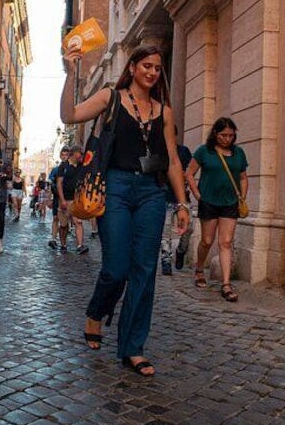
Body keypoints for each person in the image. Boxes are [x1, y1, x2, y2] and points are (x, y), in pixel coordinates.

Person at [61, 44, 190, 377]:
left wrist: (182, 203)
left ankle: (133, 348)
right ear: (132, 67)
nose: (152, 72)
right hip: (115, 187)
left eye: (158, 68)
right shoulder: (111, 97)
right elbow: (69, 116)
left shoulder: (164, 111)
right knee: (116, 267)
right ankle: (96, 311)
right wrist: (70, 73)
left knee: (144, 272)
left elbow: (174, 161)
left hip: (151, 191)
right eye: (146, 65)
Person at [185, 117, 248, 302]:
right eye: (223, 135)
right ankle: (199, 270)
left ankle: (226, 284)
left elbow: (243, 177)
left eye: (230, 135)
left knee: (226, 242)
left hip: (230, 203)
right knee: (206, 240)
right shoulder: (204, 152)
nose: (227, 139)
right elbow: (189, 174)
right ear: (215, 134)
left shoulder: (239, 153)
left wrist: (242, 197)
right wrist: (198, 196)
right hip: (209, 201)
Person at [160, 127, 194, 276]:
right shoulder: (159, 152)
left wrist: (183, 175)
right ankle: (166, 260)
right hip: (165, 196)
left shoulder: (183, 151)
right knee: (165, 230)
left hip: (182, 197)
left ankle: (181, 250)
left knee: (189, 227)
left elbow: (190, 171)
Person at [56, 145, 89, 254]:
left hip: (77, 199)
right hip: (65, 198)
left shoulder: (81, 166)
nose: (81, 156)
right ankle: (63, 244)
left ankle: (80, 246)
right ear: (75, 153)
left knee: (78, 222)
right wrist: (62, 200)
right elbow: (59, 184)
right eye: (80, 153)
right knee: (64, 225)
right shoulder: (63, 167)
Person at [47, 147, 70, 248]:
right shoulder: (56, 170)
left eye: (66, 155)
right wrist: (49, 199)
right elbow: (50, 185)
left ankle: (63, 242)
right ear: (60, 156)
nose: (64, 157)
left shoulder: (72, 169)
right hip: (57, 197)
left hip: (68, 198)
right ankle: (53, 238)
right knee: (55, 218)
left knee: (65, 221)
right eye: (63, 155)